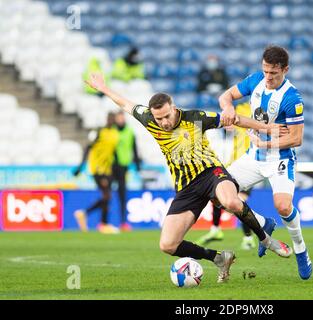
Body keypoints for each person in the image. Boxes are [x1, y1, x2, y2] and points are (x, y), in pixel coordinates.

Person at [84, 73, 293, 283]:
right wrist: (103, 88)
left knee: (230, 201)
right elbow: (125, 104)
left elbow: (236, 119)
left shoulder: (195, 117)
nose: (164, 122)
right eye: (159, 118)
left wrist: (269, 128)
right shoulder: (149, 119)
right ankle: (219, 258)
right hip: (186, 187)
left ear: (173, 108)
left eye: (167, 116)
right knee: (167, 245)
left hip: (212, 173)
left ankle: (267, 240)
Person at [218, 45, 313, 280]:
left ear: (285, 70)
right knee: (218, 193)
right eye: (266, 71)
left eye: (274, 73)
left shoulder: (292, 98)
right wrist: (228, 109)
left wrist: (265, 145)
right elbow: (225, 96)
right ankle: (263, 224)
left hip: (280, 159)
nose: (268, 78)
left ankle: (301, 251)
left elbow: (296, 138)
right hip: (253, 157)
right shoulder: (256, 80)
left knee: (283, 206)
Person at [195, 102, 257, 250]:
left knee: (238, 201)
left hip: (248, 167)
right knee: (216, 195)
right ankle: (216, 230)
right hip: (231, 167)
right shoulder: (231, 131)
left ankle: (248, 237)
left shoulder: (252, 115)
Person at [73, 112, 120, 234]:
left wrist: (117, 167)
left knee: (107, 197)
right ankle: (88, 215)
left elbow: (113, 152)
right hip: (97, 168)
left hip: (108, 169)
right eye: (109, 118)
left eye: (112, 118)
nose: (110, 120)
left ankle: (102, 224)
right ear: (106, 119)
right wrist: (81, 166)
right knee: (107, 196)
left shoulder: (115, 134)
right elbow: (88, 147)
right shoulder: (98, 132)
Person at [113, 111, 141, 232]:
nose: (121, 119)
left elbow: (134, 148)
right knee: (106, 195)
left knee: (122, 195)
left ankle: (123, 222)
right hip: (111, 166)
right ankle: (104, 222)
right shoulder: (112, 131)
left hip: (124, 167)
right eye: (118, 118)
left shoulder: (129, 131)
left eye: (122, 117)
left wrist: (137, 164)